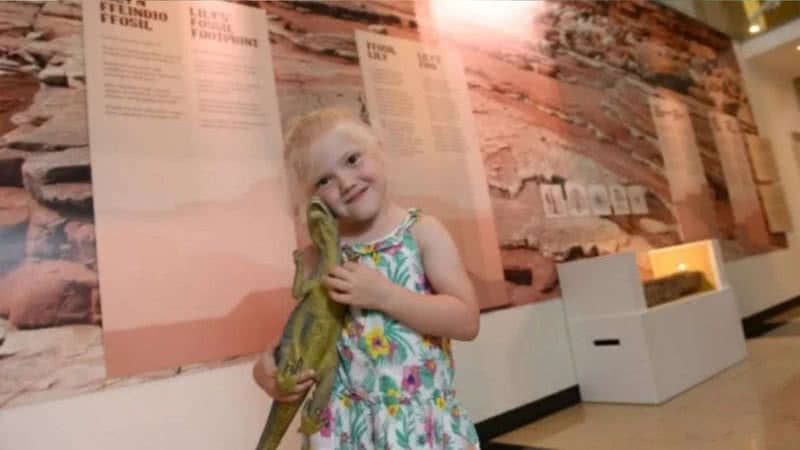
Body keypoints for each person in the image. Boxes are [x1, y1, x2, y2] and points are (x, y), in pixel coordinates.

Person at [252, 108, 481, 449]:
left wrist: (386, 296)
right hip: (341, 427)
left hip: (415, 426)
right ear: (311, 197)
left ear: (379, 151)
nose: (345, 182)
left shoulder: (422, 233)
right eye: (323, 180)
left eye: (352, 159)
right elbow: (311, 330)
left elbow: (466, 321)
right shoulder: (317, 254)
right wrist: (267, 372)